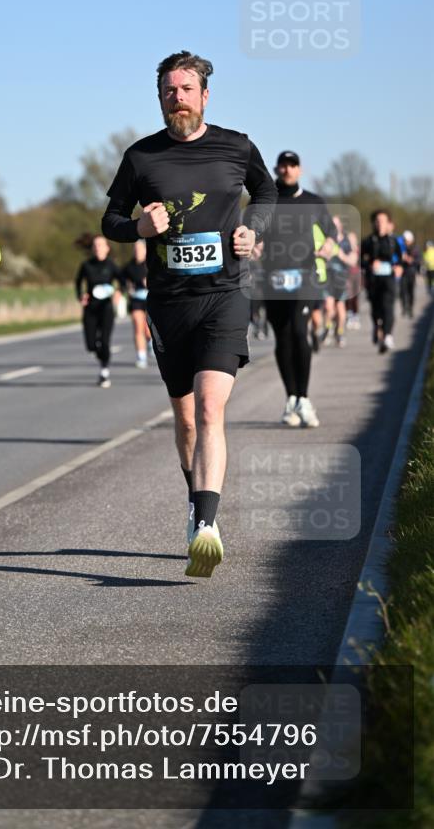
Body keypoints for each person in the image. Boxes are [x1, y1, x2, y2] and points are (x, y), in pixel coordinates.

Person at [102, 50, 276, 579]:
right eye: (167, 92)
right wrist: (139, 231)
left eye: (184, 89)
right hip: (169, 302)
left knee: (208, 409)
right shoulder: (140, 158)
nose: (176, 98)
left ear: (204, 94)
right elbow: (110, 220)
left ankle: (206, 525)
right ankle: (194, 503)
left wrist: (254, 229)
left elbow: (264, 191)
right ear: (159, 99)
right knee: (184, 417)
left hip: (224, 294)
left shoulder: (236, 146)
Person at [257, 151, 337, 427]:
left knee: (300, 331)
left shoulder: (313, 202)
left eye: (292, 165)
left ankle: (304, 398)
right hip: (274, 277)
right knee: (282, 337)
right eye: (283, 165)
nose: (287, 169)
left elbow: (331, 232)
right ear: (277, 169)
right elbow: (253, 231)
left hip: (305, 277)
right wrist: (254, 245)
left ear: (299, 170)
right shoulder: (267, 201)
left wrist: (328, 246)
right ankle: (291, 399)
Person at [75, 235, 122, 387]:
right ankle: (102, 357)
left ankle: (104, 371)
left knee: (104, 341)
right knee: (91, 345)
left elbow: (122, 281)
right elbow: (78, 282)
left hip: (106, 308)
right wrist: (81, 295)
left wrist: (118, 292)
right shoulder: (86, 265)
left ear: (107, 248)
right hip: (91, 308)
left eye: (101, 245)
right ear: (92, 248)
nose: (98, 248)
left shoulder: (111, 265)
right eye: (96, 245)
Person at [361, 209, 402, 352]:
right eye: (377, 221)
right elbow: (359, 260)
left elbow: (401, 259)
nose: (380, 224)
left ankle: (388, 335)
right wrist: (369, 264)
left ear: (388, 223)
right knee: (376, 310)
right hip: (373, 281)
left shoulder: (393, 241)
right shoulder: (368, 241)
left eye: (383, 221)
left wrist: (399, 267)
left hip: (388, 279)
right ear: (374, 223)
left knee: (388, 307)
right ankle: (377, 328)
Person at [322, 215, 359, 348]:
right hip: (327, 276)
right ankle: (327, 329)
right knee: (328, 306)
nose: (334, 227)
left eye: (336, 224)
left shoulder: (346, 240)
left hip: (342, 277)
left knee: (340, 308)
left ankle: (340, 332)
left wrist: (340, 255)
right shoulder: (326, 239)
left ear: (341, 227)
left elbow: (353, 260)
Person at [121, 239, 151, 368]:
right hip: (136, 300)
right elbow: (122, 281)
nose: (137, 252)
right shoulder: (128, 267)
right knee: (138, 326)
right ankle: (141, 356)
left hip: (151, 299)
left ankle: (150, 342)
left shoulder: (151, 264)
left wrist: (150, 283)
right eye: (135, 249)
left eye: (140, 249)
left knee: (147, 329)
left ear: (145, 250)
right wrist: (126, 288)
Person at [398, 231, 420, 318]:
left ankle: (410, 309)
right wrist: (402, 258)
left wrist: (412, 260)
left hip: (411, 273)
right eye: (404, 240)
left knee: (411, 292)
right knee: (403, 292)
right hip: (403, 273)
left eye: (406, 240)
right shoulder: (400, 248)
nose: (405, 242)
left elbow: (419, 260)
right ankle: (404, 308)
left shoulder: (416, 248)